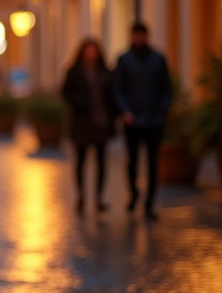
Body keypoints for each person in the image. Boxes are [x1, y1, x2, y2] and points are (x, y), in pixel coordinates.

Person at [113, 21, 173, 219]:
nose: (139, 38)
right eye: (136, 34)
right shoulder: (124, 60)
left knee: (153, 162)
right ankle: (134, 192)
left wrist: (162, 111)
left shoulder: (158, 59)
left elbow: (167, 87)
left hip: (154, 120)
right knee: (132, 161)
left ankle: (149, 203)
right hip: (132, 121)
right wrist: (125, 111)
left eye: (141, 34)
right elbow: (118, 88)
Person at [62, 38, 118, 215]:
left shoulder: (105, 72)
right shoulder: (74, 71)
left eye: (93, 50)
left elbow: (112, 95)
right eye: (88, 50)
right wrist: (80, 102)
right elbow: (65, 92)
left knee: (102, 161)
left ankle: (99, 198)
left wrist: (114, 114)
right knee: (81, 160)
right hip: (81, 122)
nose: (91, 54)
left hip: (100, 122)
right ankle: (81, 195)